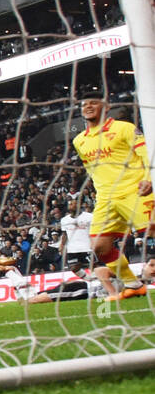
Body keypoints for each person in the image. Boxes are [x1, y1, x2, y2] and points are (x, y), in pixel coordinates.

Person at [69, 90, 152, 301]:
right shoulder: (79, 141)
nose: (88, 106)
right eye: (84, 104)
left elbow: (146, 155)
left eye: (93, 103)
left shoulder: (124, 128)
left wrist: (148, 180)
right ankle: (133, 284)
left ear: (105, 107)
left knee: (152, 230)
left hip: (135, 190)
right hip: (106, 198)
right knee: (99, 246)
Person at [58, 198, 94, 273]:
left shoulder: (89, 216)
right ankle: (87, 280)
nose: (70, 205)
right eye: (69, 204)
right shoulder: (64, 220)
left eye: (72, 204)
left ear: (79, 205)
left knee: (93, 267)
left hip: (87, 247)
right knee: (74, 269)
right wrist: (62, 245)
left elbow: (95, 231)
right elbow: (64, 234)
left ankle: (99, 281)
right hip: (72, 249)